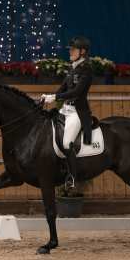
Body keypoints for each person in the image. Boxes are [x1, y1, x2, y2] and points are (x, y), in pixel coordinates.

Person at [41, 36, 93, 189]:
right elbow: (63, 88)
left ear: (82, 52)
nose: (70, 51)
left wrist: (55, 97)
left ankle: (73, 177)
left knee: (66, 142)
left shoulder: (87, 69)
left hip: (77, 112)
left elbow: (77, 92)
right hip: (65, 109)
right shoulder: (73, 67)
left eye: (73, 49)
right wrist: (48, 97)